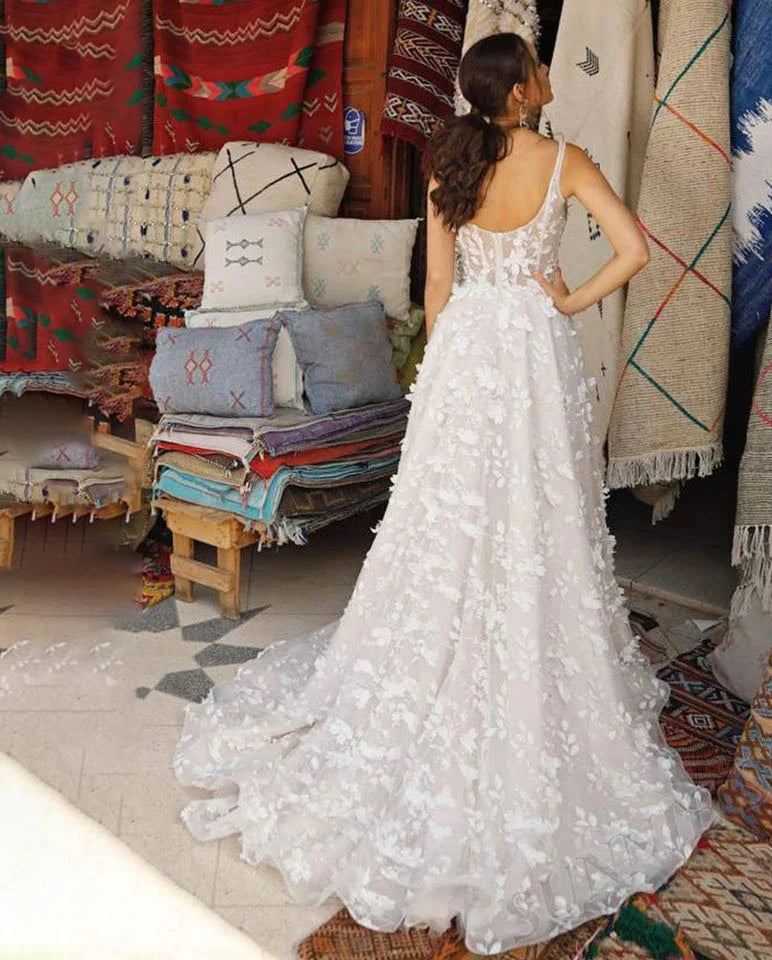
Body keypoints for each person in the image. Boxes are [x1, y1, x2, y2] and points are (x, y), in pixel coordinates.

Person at [171, 32, 715, 956]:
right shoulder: (566, 160)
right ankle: (528, 635)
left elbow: (437, 286)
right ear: (522, 91)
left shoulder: (450, 163)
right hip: (535, 353)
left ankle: (446, 635)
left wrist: (439, 374)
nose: (547, 74)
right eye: (538, 66)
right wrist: (567, 301)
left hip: (466, 355)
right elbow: (633, 251)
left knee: (448, 513)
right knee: (541, 513)